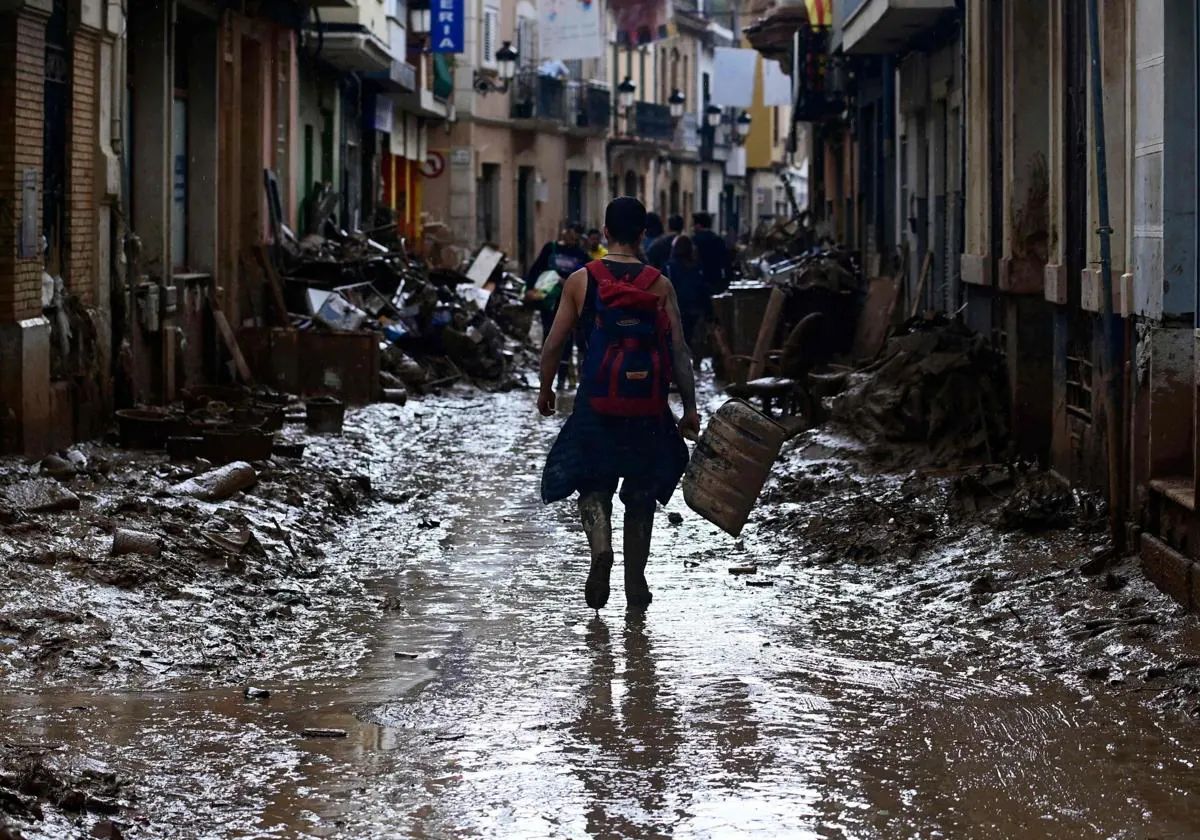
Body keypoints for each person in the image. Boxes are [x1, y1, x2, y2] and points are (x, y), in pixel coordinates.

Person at [539, 196, 700, 612]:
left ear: (606, 232)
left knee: (592, 484)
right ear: (643, 234)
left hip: (596, 403)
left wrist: (545, 390)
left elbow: (553, 344)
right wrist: (689, 408)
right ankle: (635, 580)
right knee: (642, 492)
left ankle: (600, 549)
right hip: (646, 407)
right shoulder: (660, 284)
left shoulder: (581, 280)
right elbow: (679, 352)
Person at [525, 227, 590, 388]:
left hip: (569, 301)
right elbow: (536, 269)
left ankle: (562, 378)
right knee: (549, 335)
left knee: (567, 338)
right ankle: (546, 377)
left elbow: (588, 276)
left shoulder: (580, 255)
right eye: (568, 234)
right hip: (548, 300)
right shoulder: (551, 249)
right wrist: (529, 288)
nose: (570, 238)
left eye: (574, 236)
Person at [663, 234, 711, 355]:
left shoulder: (669, 267)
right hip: (695, 310)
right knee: (692, 341)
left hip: (676, 309)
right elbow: (703, 289)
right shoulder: (696, 267)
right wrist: (708, 312)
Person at [691, 212, 731, 296]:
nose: (692, 228)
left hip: (699, 280)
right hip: (715, 279)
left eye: (693, 224)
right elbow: (726, 261)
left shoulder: (694, 241)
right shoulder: (718, 240)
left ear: (698, 225)